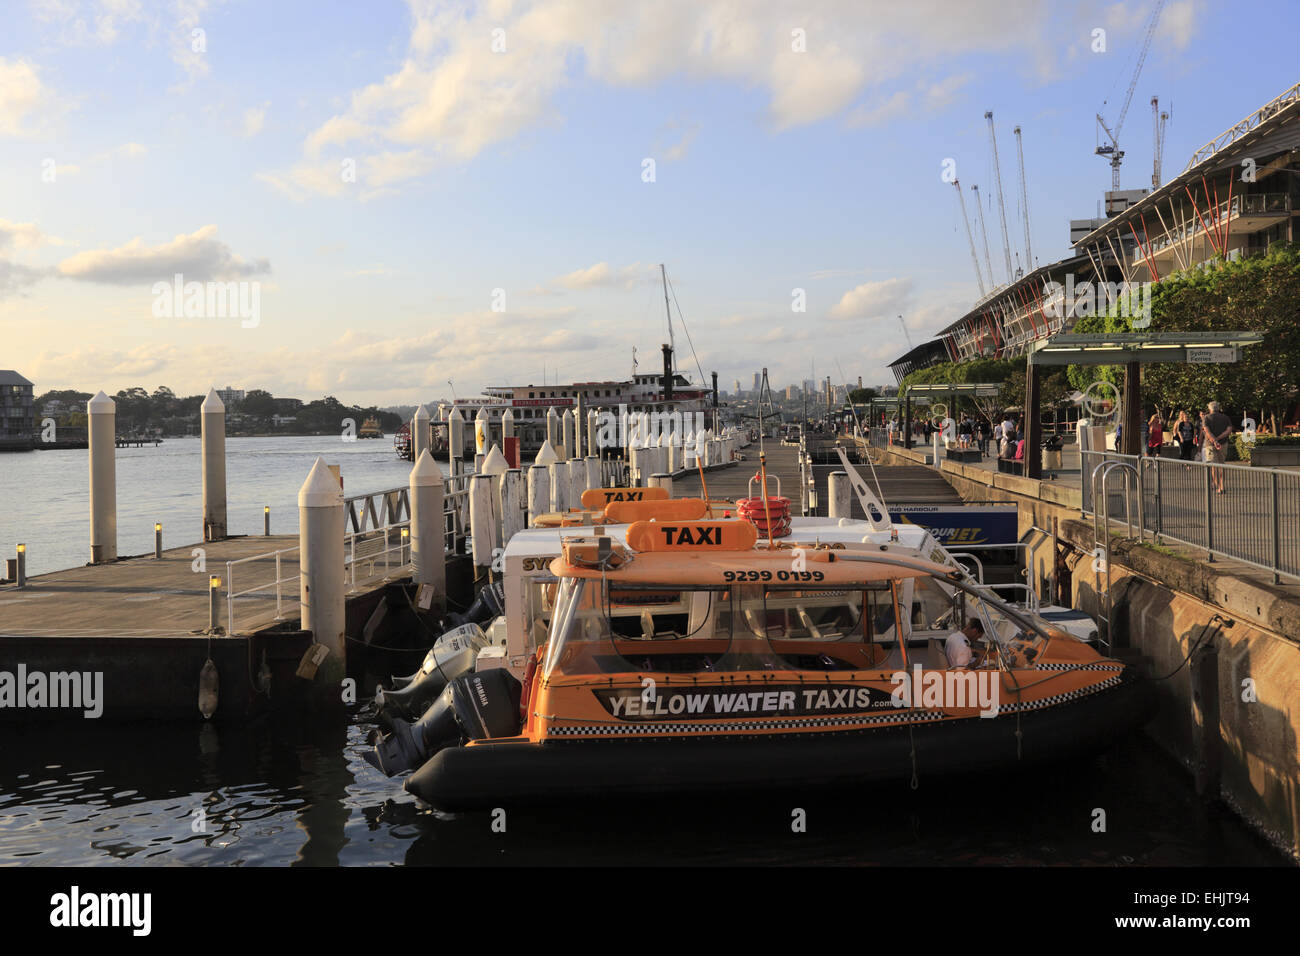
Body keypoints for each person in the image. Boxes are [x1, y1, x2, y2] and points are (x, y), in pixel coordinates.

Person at [1202, 401, 1233, 493]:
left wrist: (1215, 441)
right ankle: (1222, 486)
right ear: (1218, 408)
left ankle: (1218, 486)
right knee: (1221, 464)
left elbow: (1207, 431)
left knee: (1213, 466)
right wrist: (1219, 439)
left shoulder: (1206, 418)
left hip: (1210, 445)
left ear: (1209, 409)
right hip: (1223, 443)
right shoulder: (1225, 418)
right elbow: (1229, 430)